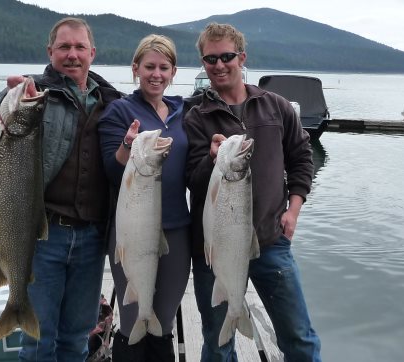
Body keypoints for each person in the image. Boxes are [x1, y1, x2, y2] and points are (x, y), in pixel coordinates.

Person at [0, 17, 124, 362]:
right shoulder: (35, 93)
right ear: (50, 52)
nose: (72, 54)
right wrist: (9, 93)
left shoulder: (112, 101)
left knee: (77, 337)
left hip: (92, 237)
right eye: (64, 47)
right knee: (38, 342)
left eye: (80, 47)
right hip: (42, 234)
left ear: (92, 53)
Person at [185, 23, 322, 362]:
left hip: (270, 241)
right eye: (210, 59)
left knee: (299, 338)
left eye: (227, 57)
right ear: (203, 63)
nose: (219, 65)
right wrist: (211, 159)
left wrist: (294, 209)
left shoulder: (276, 106)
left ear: (242, 57)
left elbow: (302, 159)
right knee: (217, 344)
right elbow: (192, 178)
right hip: (214, 249)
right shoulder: (196, 117)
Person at [97, 34, 191, 361]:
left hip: (177, 231)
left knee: (163, 319)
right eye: (149, 66)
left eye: (164, 67)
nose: (156, 74)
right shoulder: (119, 111)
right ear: (135, 68)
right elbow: (111, 170)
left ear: (174, 71)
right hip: (131, 232)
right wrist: (127, 146)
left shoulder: (183, 111)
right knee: (133, 316)